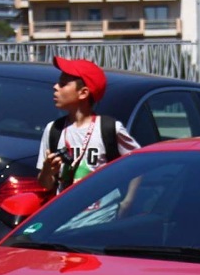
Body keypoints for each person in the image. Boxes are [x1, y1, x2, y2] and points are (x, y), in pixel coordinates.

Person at [37, 56, 139, 198]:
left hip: (102, 216)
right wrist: (47, 171)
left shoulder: (109, 129)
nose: (55, 87)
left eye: (63, 83)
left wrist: (128, 201)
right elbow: (46, 184)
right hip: (66, 216)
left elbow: (138, 164)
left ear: (83, 93)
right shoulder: (54, 130)